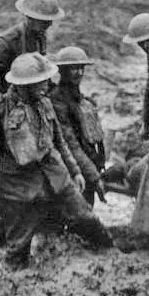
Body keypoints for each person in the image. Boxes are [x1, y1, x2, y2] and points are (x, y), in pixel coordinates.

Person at [0, 52, 113, 270]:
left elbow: (60, 141)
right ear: (23, 85)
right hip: (19, 189)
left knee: (88, 220)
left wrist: (75, 172)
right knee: (17, 252)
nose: (46, 84)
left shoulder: (45, 103)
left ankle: (113, 259)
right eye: (40, 82)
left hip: (57, 178)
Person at [0, 0, 64, 104]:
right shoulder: (5, 43)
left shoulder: (39, 36)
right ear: (30, 17)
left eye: (50, 20)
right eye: (45, 21)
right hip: (11, 107)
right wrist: (1, 103)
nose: (50, 24)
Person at [48, 47, 106, 206]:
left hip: (86, 164)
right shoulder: (57, 101)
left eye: (81, 68)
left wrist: (98, 166)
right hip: (70, 168)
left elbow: (93, 140)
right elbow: (70, 143)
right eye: (73, 68)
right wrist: (93, 175)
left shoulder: (82, 100)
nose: (79, 72)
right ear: (61, 70)